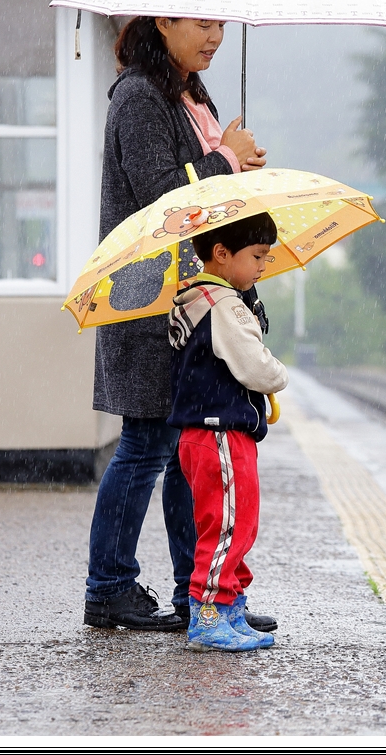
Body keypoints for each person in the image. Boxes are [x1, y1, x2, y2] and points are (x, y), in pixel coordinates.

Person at [84, 16, 277, 633]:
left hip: (190, 302)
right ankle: (108, 588)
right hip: (149, 301)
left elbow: (207, 201)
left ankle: (198, 594)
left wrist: (236, 169)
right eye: (202, 22)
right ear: (163, 21)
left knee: (182, 454)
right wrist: (225, 157)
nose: (215, 36)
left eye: (220, 23)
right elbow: (162, 199)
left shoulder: (190, 91)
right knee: (145, 445)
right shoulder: (139, 96)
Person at [167, 213, 288, 651]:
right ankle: (209, 617)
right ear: (221, 253)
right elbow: (257, 367)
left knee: (233, 522)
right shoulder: (225, 305)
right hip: (221, 434)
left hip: (202, 434)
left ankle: (230, 607)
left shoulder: (192, 300)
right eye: (257, 256)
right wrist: (279, 373)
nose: (263, 266)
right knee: (227, 526)